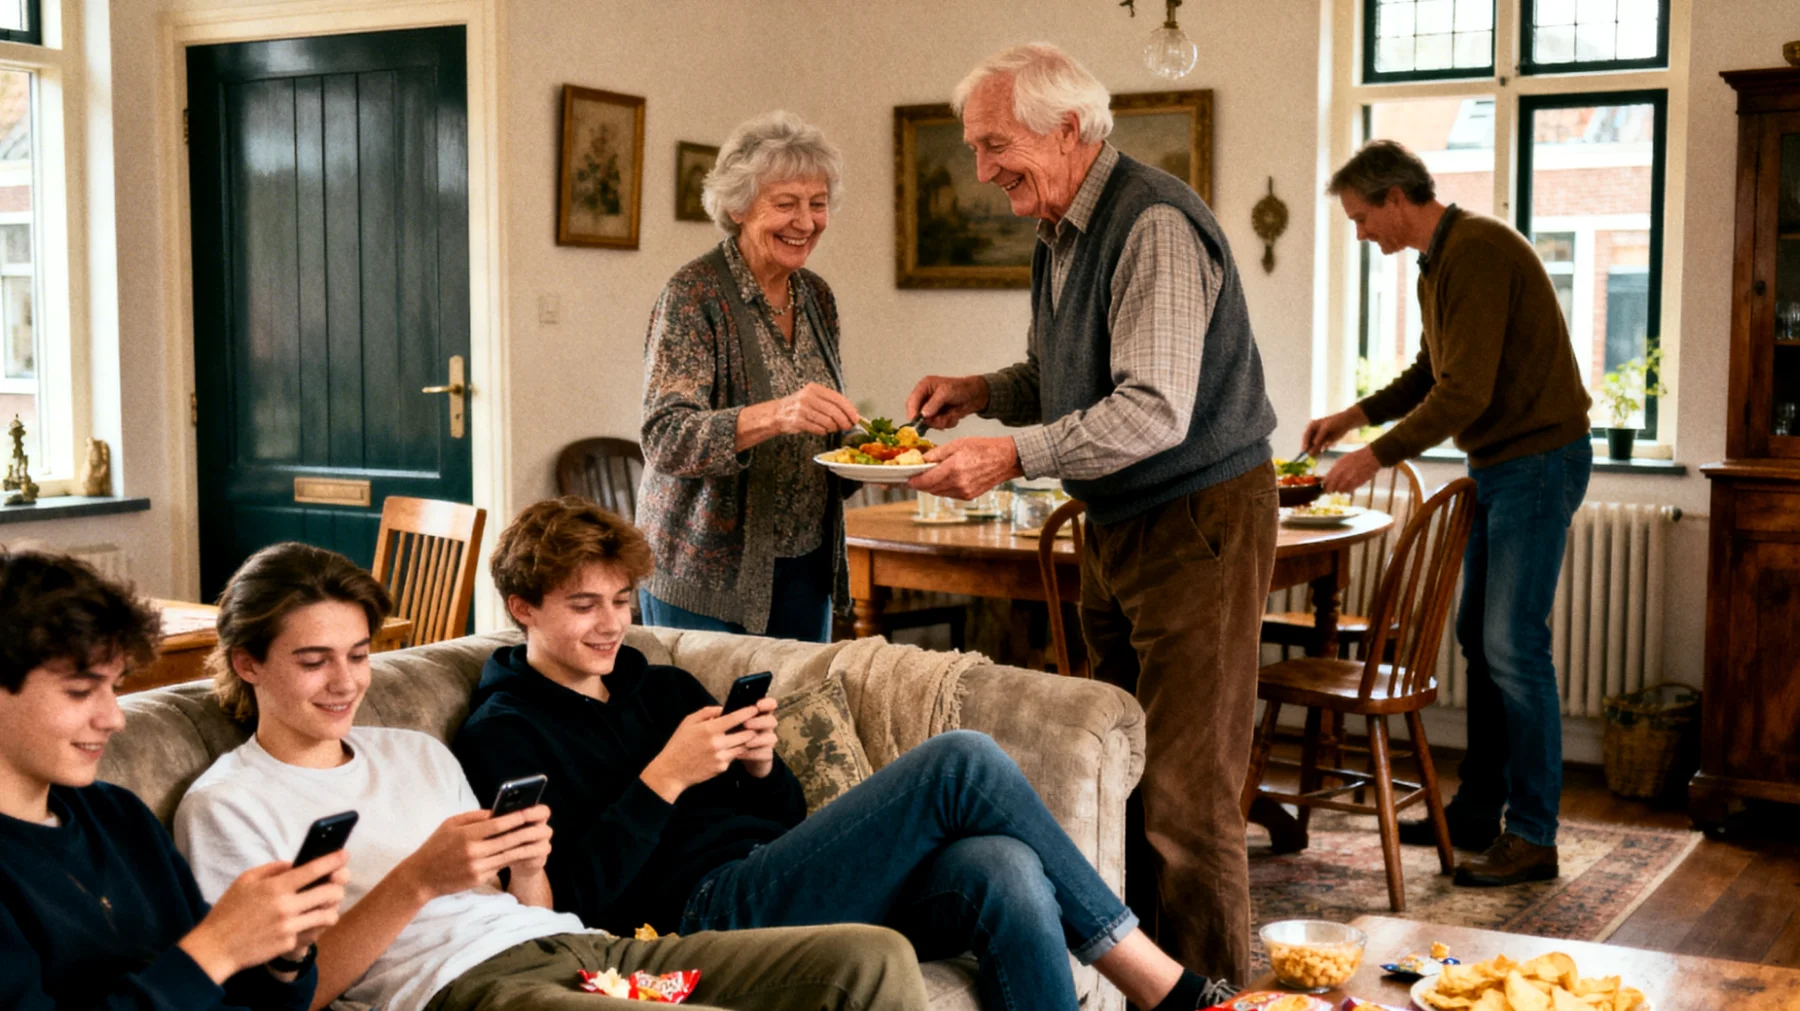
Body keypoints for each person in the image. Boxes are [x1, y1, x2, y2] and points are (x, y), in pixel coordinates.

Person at [453, 495, 1240, 1011]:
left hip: (773, 872)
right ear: (522, 606)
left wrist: (758, 764)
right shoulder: (504, 731)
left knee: (1003, 865)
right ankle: (1159, 983)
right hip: (686, 921)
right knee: (961, 758)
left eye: (622, 601)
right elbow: (568, 908)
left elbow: (781, 813)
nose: (611, 623)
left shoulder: (657, 684)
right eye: (583, 605)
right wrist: (663, 780)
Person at [173, 541, 928, 1011]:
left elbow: (529, 904)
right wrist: (415, 880)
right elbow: (280, 998)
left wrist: (529, 867)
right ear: (248, 662)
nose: (345, 682)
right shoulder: (228, 803)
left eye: (359, 653)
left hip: (588, 955)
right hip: (474, 991)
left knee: (874, 957)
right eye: (314, 660)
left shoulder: (415, 752)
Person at [902, 44, 1279, 982]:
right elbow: (1068, 381)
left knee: (1189, 802)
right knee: (1123, 775)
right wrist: (984, 390)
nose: (983, 171)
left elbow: (1152, 410)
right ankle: (1152, 988)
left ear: (1068, 128)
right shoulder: (1062, 228)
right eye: (975, 150)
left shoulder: (1149, 222)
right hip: (1122, 526)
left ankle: (1214, 997)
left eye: (995, 146)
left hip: (1197, 521)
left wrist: (1011, 454)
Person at [1304, 139, 1593, 887]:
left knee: (1514, 645)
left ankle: (1533, 834)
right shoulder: (1443, 260)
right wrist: (1353, 414)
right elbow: (1434, 371)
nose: (1362, 233)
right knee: (1480, 635)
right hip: (1501, 465)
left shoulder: (1479, 251)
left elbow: (1465, 394)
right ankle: (1478, 808)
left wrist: (1376, 455)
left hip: (1536, 461)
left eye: (1363, 218)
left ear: (1398, 197)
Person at [0, 549, 350, 1011]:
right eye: (81, 691)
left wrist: (285, 954)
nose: (113, 719)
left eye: (115, 688)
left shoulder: (118, 814)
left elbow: (234, 996)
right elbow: (203, 966)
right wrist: (215, 949)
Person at [638, 109, 860, 642]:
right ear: (737, 207)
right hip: (705, 575)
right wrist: (777, 415)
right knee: (718, 723)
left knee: (799, 720)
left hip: (806, 565)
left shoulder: (816, 296)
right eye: (785, 204)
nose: (805, 222)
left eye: (818, 204)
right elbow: (664, 437)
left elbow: (820, 426)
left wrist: (882, 452)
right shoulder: (695, 294)